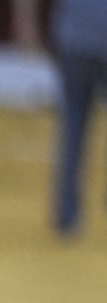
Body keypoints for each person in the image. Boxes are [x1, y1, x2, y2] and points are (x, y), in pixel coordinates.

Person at [18, 0, 107, 235]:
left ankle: (67, 214)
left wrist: (26, 21)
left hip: (74, 37)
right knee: (73, 120)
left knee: (72, 123)